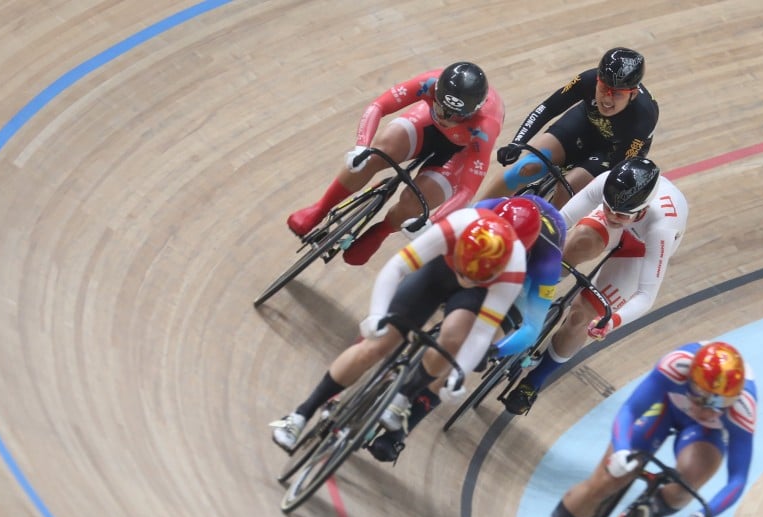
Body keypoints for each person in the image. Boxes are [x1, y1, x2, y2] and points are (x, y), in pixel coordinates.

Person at [270, 203, 533, 459]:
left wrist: (458, 373)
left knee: (453, 338)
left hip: (477, 295)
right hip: (439, 270)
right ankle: (300, 415)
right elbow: (396, 267)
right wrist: (376, 315)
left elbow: (481, 333)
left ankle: (404, 397)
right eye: (465, 272)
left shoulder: (513, 268)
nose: (467, 279)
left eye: (475, 277)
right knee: (376, 346)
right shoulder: (455, 226)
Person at [501, 340, 757, 517]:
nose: (705, 409)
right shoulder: (676, 366)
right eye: (701, 397)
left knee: (686, 486)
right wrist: (622, 449)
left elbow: (737, 478)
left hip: (704, 433)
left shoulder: (743, 407)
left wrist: (706, 514)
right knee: (605, 481)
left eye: (717, 405)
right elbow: (631, 410)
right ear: (690, 377)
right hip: (666, 409)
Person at [366, 194, 567, 462]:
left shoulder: (546, 262)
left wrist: (492, 350)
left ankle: (402, 428)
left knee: (463, 351)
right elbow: (445, 240)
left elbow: (532, 327)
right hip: (475, 253)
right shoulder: (485, 211)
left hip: (517, 286)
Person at [501, 156, 688, 416]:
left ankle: (534, 381)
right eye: (609, 208)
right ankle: (523, 308)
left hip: (642, 249)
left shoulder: (661, 228)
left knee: (582, 316)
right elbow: (560, 221)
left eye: (620, 214)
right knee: (575, 244)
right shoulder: (606, 188)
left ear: (642, 210)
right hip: (623, 223)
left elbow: (646, 295)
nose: (612, 216)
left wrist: (613, 321)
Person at [285, 62, 505, 266]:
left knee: (415, 202)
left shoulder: (485, 128)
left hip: (461, 151)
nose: (445, 118)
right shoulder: (429, 82)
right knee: (373, 156)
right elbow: (378, 106)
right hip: (426, 126)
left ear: (472, 113)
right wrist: (362, 146)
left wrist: (433, 222)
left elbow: (467, 190)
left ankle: (380, 231)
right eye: (440, 108)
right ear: (435, 93)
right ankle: (320, 208)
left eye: (455, 117)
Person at [479, 47, 658, 207]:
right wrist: (517, 143)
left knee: (566, 190)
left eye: (617, 94)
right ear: (597, 79)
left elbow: (618, 169)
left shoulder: (643, 118)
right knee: (523, 169)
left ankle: (544, 235)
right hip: (584, 125)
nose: (607, 99)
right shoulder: (587, 79)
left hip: (614, 151)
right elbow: (548, 108)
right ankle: (471, 217)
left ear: (632, 94)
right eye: (604, 88)